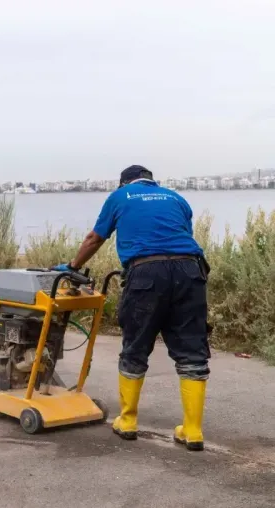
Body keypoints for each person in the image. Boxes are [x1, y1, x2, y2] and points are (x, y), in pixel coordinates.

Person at [52, 165, 210, 452]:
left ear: (124, 182)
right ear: (152, 181)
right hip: (190, 272)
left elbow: (94, 238)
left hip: (147, 274)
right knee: (192, 351)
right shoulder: (176, 198)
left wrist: (73, 267)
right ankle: (193, 430)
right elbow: (181, 236)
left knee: (136, 346)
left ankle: (127, 421)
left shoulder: (120, 196)